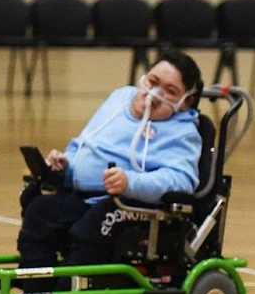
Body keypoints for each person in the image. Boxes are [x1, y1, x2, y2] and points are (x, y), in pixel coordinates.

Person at [17, 50, 204, 276]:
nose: (155, 94)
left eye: (170, 91)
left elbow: (182, 181)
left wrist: (130, 182)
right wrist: (65, 167)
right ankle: (33, 292)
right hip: (86, 198)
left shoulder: (183, 132)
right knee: (39, 209)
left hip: (129, 206)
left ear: (186, 102)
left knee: (93, 223)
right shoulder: (120, 99)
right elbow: (83, 145)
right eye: (153, 82)